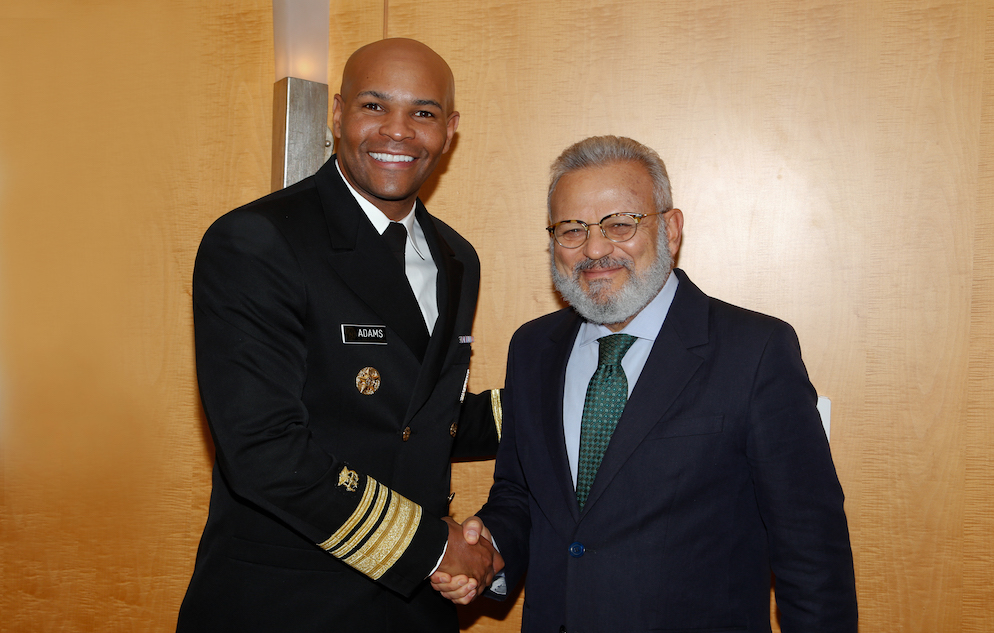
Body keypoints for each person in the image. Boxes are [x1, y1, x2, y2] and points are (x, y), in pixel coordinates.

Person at [433, 136, 858, 632]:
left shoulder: (756, 351)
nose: (594, 249)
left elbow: (811, 553)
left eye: (619, 224)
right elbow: (520, 494)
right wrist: (490, 549)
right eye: (572, 229)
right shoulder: (532, 349)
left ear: (671, 229)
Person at [177, 38, 503, 633]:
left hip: (416, 612)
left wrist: (564, 399)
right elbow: (265, 450)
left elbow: (421, 417)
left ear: (449, 130)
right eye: (374, 107)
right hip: (285, 605)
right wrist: (433, 548)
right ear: (337, 113)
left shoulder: (459, 257)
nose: (398, 132)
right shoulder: (258, 241)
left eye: (423, 113)